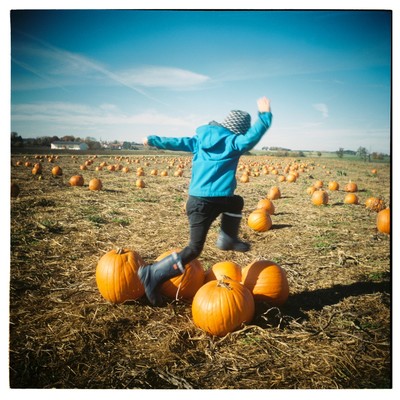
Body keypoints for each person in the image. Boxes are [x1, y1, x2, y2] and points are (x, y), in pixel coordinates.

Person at [138, 96, 272, 305]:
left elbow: (175, 142)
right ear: (238, 131)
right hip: (212, 201)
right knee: (196, 246)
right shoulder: (234, 142)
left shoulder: (199, 140)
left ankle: (228, 238)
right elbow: (251, 138)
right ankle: (152, 274)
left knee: (233, 204)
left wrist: (152, 139)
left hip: (200, 202)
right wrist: (264, 116)